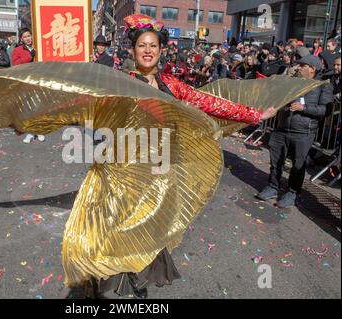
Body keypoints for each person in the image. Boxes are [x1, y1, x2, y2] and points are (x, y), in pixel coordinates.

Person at [78, 13, 277, 299]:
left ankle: (140, 283)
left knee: (152, 230)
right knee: (123, 227)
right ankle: (118, 279)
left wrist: (256, 114)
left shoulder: (173, 85)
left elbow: (211, 103)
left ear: (160, 50)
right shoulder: (117, 83)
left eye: (153, 46)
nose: (148, 50)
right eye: (142, 45)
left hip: (160, 170)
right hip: (125, 170)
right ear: (133, 50)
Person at [256, 55, 333, 208]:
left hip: (303, 132)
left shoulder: (323, 85)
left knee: (298, 165)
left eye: (302, 65)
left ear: (312, 69)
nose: (298, 68)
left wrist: (304, 108)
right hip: (282, 127)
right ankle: (272, 186)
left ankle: (292, 192)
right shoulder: (291, 81)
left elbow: (326, 109)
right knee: (275, 160)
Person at [12, 28, 45, 144]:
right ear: (21, 39)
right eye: (25, 37)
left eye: (29, 36)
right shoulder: (17, 50)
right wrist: (29, 56)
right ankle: (30, 132)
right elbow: (15, 64)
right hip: (25, 82)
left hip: (38, 81)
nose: (28, 38)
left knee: (38, 106)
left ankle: (39, 130)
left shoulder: (39, 47)